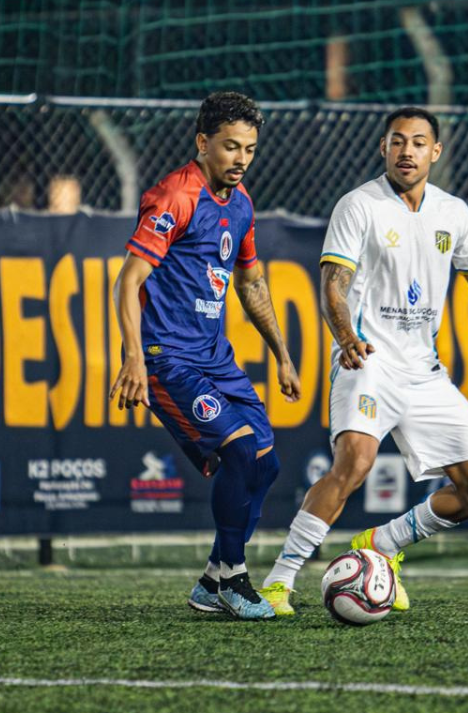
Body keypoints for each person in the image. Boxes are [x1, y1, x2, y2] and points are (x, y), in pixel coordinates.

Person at [258, 107, 468, 615]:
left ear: (436, 151)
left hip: (424, 371)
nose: (406, 151)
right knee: (355, 463)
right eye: (397, 141)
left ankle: (380, 545)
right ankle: (280, 581)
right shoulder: (359, 205)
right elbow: (333, 285)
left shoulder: (452, 212)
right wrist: (346, 337)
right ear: (383, 148)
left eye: (417, 142)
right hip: (367, 359)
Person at [111, 92, 301, 620]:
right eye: (230, 147)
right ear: (203, 143)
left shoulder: (241, 205)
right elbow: (129, 281)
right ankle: (235, 581)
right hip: (168, 358)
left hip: (216, 358)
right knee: (239, 453)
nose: (240, 159)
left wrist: (281, 354)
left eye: (250, 149)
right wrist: (133, 359)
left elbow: (251, 282)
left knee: (266, 464)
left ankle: (211, 579)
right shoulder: (176, 195)